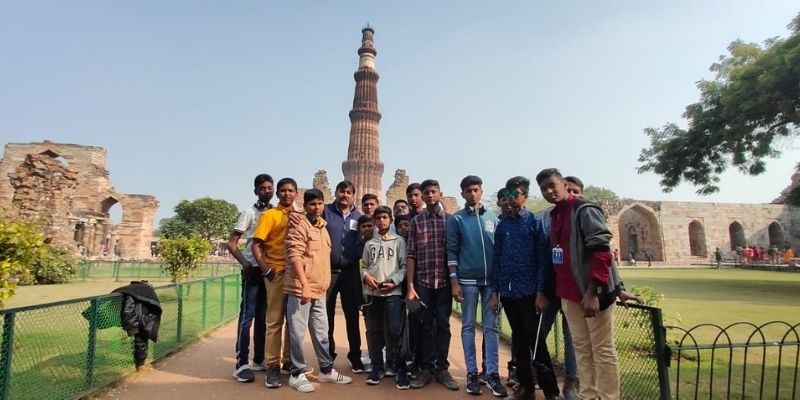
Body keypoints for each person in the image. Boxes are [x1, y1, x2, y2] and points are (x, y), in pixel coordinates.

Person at [537, 168, 622, 400]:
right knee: (581, 348)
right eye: (544, 189)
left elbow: (602, 251)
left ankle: (609, 397)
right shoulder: (555, 215)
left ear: (564, 184)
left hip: (592, 292)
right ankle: (588, 395)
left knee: (602, 350)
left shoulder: (584, 210)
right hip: (568, 292)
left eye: (552, 185)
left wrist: (593, 291)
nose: (549, 191)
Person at [491, 176, 559, 400]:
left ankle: (550, 391)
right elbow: (497, 259)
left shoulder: (533, 222)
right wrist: (495, 293)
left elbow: (542, 259)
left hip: (530, 291)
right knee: (518, 340)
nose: (511, 199)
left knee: (535, 342)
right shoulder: (503, 225)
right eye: (507, 195)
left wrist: (540, 292)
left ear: (525, 197)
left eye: (515, 195)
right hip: (508, 291)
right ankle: (526, 387)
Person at [284, 189, 353, 393]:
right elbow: (295, 255)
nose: (316, 207)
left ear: (324, 205)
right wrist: (304, 284)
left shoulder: (322, 227)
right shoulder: (299, 225)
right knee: (297, 332)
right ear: (305, 206)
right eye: (312, 204)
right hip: (301, 289)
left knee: (322, 330)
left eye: (320, 203)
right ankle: (297, 373)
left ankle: (326, 369)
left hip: (320, 289)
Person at [446, 175, 507, 397]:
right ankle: (471, 374)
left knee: (492, 328)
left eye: (476, 190)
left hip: (491, 282)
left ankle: (492, 374)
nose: (473, 194)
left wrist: (498, 286)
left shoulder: (492, 217)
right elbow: (452, 251)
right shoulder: (457, 219)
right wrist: (454, 282)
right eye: (469, 190)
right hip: (468, 280)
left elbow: (498, 252)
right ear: (462, 193)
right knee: (468, 326)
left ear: (481, 191)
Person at [405, 179, 458, 390]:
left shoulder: (450, 221)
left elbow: (454, 253)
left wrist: (455, 282)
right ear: (423, 196)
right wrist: (410, 285)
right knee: (425, 325)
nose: (430, 195)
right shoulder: (417, 222)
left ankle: (442, 368)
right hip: (423, 281)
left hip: (444, 281)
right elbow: (411, 255)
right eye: (426, 192)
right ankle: (427, 368)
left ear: (439, 193)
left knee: (443, 325)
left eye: (433, 192)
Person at [251, 177, 298, 388]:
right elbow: (256, 245)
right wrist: (267, 270)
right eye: (283, 191)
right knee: (274, 321)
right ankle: (272, 366)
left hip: (294, 274)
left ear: (296, 194)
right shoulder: (269, 215)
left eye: (291, 190)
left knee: (293, 321)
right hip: (277, 273)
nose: (287, 194)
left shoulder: (299, 217)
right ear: (278, 194)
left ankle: (288, 361)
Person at [226, 173, 273, 383]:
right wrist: (245, 264)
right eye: (262, 188)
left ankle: (259, 359)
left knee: (264, 317)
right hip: (253, 270)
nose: (267, 191)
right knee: (248, 316)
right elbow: (232, 243)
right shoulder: (249, 213)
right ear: (256, 191)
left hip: (268, 270)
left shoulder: (274, 212)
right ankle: (241, 363)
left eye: (269, 188)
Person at [361, 206, 409, 389]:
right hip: (373, 293)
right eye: (378, 218)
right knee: (375, 331)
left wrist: (394, 281)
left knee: (395, 330)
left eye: (384, 217)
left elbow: (404, 267)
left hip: (392, 293)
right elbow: (363, 265)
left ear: (390, 220)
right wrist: (366, 276)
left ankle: (399, 367)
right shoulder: (370, 243)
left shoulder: (399, 242)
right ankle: (377, 367)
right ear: (374, 221)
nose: (381, 221)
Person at [322, 180, 364, 370]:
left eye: (348, 192)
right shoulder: (326, 212)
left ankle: (355, 356)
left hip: (350, 272)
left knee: (352, 316)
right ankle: (328, 355)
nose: (345, 195)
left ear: (353, 195)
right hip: (328, 271)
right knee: (326, 316)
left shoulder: (358, 216)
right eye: (342, 191)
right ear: (336, 193)